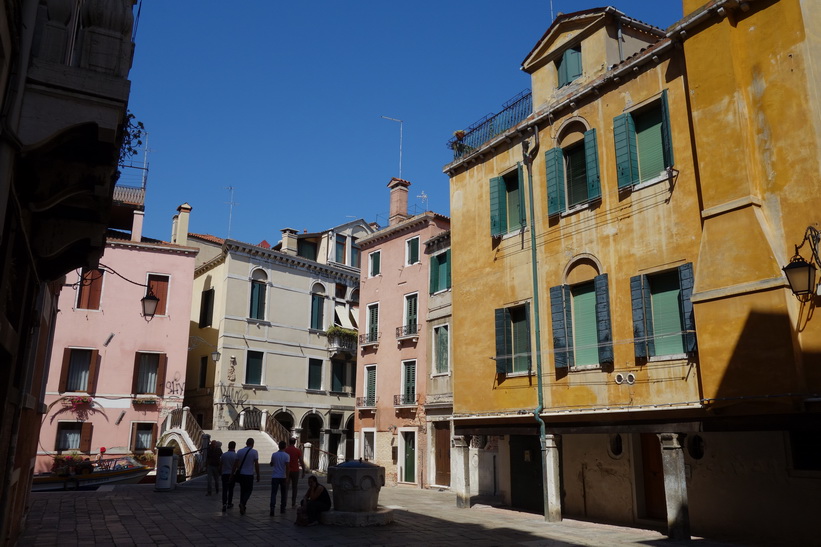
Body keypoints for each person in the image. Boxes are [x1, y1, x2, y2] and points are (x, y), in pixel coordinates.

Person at [232, 438, 260, 515]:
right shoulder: (254, 452)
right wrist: (258, 474)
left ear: (246, 443)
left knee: (242, 490)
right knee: (249, 490)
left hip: (241, 474)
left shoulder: (240, 451)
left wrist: (232, 473)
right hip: (249, 474)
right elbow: (256, 464)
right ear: (253, 444)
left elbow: (235, 463)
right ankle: (243, 503)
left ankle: (243, 505)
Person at [283, 437, 306, 508]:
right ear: (294, 443)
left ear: (289, 442)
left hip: (287, 470)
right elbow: (301, 461)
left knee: (286, 487)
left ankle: (284, 502)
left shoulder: (285, 450)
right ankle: (293, 503)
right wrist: (303, 470)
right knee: (294, 487)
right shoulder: (297, 450)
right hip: (295, 470)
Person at [269, 440, 289, 516]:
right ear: (285, 447)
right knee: (283, 493)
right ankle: (282, 508)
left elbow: (271, 464)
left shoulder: (274, 454)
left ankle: (272, 508)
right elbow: (287, 467)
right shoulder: (287, 456)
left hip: (275, 476)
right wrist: (287, 477)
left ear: (278, 446)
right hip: (282, 476)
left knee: (273, 493)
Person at [219, 441, 238, 512]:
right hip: (232, 474)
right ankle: (229, 503)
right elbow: (237, 466)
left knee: (224, 489)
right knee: (231, 489)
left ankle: (224, 503)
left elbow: (220, 465)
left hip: (224, 474)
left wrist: (220, 472)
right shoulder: (236, 455)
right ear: (234, 446)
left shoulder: (224, 455)